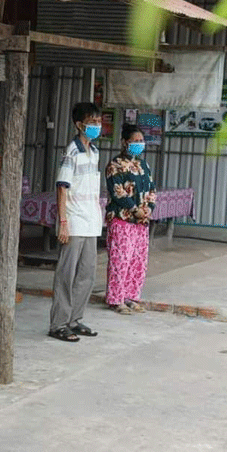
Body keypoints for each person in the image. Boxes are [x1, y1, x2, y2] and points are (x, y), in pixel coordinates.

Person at [48, 102, 104, 342]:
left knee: (86, 274)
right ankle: (58, 324)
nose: (96, 126)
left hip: (91, 221)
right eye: (92, 122)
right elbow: (62, 187)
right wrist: (63, 221)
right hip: (73, 221)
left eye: (99, 122)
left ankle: (75, 319)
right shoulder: (72, 152)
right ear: (79, 124)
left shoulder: (94, 152)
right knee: (66, 275)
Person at [104, 123, 157, 315]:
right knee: (120, 260)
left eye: (141, 141)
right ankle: (116, 299)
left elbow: (151, 189)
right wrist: (134, 209)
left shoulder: (143, 165)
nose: (139, 144)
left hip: (141, 222)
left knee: (137, 260)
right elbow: (117, 192)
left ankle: (131, 297)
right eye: (135, 141)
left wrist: (148, 208)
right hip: (122, 219)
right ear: (124, 142)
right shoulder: (115, 165)